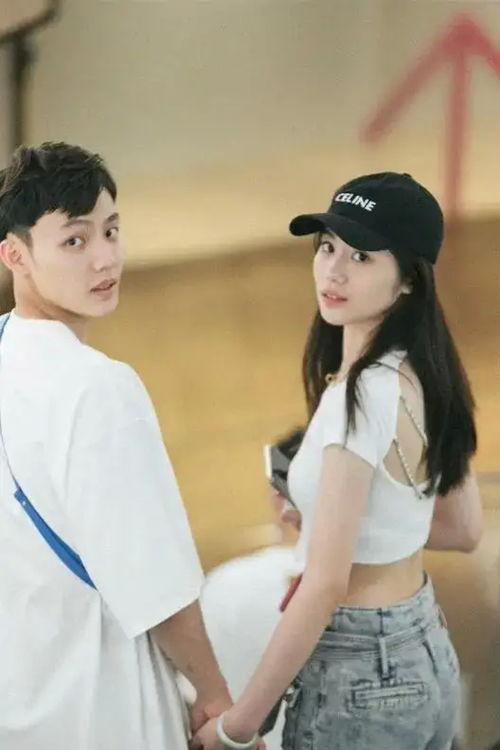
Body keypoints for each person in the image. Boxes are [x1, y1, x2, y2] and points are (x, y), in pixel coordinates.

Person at [192, 172, 482, 750]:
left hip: (359, 672)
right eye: (327, 247)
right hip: (424, 647)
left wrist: (236, 727)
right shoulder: (428, 374)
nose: (334, 271)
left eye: (362, 256)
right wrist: (332, 525)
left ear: (409, 279)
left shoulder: (358, 399)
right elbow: (463, 529)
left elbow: (325, 586)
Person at [0, 142, 231, 749]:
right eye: (74, 241)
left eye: (111, 230)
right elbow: (157, 584)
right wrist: (214, 695)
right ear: (14, 255)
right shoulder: (98, 387)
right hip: (103, 710)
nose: (105, 258)